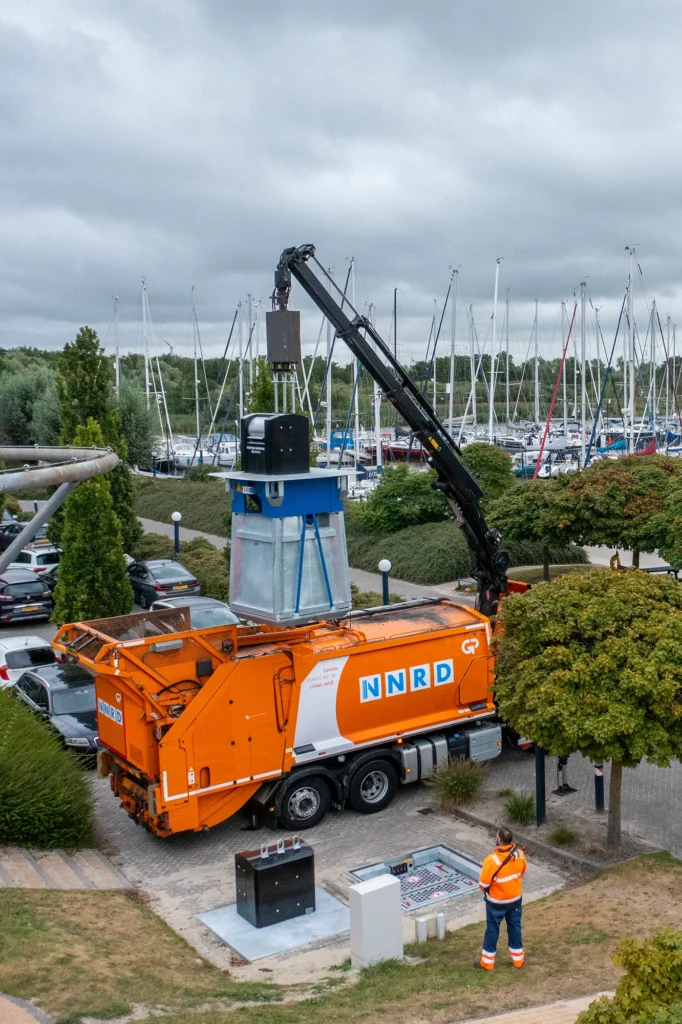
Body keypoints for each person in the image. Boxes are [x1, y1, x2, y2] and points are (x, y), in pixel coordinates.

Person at [475, 826, 526, 971]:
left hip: (496, 904)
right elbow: (522, 872)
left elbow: (483, 884)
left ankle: (487, 962)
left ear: (498, 840)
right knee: (515, 927)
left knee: (492, 929)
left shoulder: (492, 860)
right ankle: (518, 960)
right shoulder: (520, 855)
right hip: (515, 900)